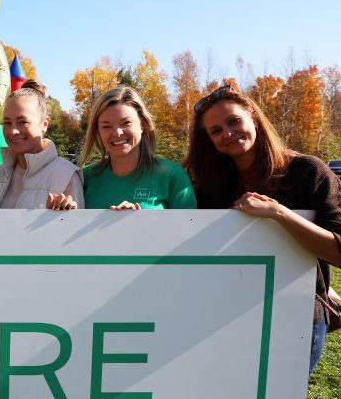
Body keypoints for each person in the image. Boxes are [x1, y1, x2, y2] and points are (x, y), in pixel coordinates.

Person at [183, 84, 341, 373]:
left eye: (234, 121)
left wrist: (278, 213)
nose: (228, 133)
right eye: (216, 131)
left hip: (298, 316)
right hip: (225, 316)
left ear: (254, 117)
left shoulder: (308, 171)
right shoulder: (209, 188)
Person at [80, 85, 196, 210]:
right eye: (106, 126)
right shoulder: (84, 178)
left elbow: (189, 227)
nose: (117, 132)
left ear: (143, 125)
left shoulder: (172, 175)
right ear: (97, 131)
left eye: (126, 123)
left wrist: (141, 222)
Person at [0, 80, 84, 209]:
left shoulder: (66, 176)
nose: (13, 131)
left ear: (44, 124)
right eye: (7, 123)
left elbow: (73, 226)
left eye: (22, 122)